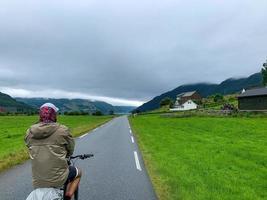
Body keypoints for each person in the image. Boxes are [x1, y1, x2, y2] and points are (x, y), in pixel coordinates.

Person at [25, 103, 82, 199]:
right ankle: (68, 195)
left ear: (40, 115)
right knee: (78, 172)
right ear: (54, 115)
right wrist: (67, 154)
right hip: (58, 179)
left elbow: (28, 145)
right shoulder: (63, 130)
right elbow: (70, 149)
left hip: (38, 180)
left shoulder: (29, 132)